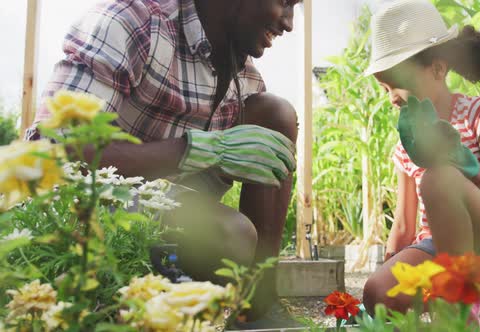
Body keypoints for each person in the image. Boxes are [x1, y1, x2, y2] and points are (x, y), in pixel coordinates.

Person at [26, 0, 301, 327]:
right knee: (232, 235)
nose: (289, 23)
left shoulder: (241, 76)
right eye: (284, 2)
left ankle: (258, 309)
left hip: (160, 204)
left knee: (275, 114)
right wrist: (196, 150)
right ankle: (117, 303)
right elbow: (58, 151)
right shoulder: (130, 23)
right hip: (80, 205)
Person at [362, 0, 480, 314]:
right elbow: (403, 225)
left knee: (438, 178)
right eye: (385, 88)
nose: (391, 98)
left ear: (438, 68)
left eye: (397, 84)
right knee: (379, 292)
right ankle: (447, 302)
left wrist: (462, 167)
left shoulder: (479, 115)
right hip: (439, 247)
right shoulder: (408, 144)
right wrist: (389, 273)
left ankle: (461, 315)